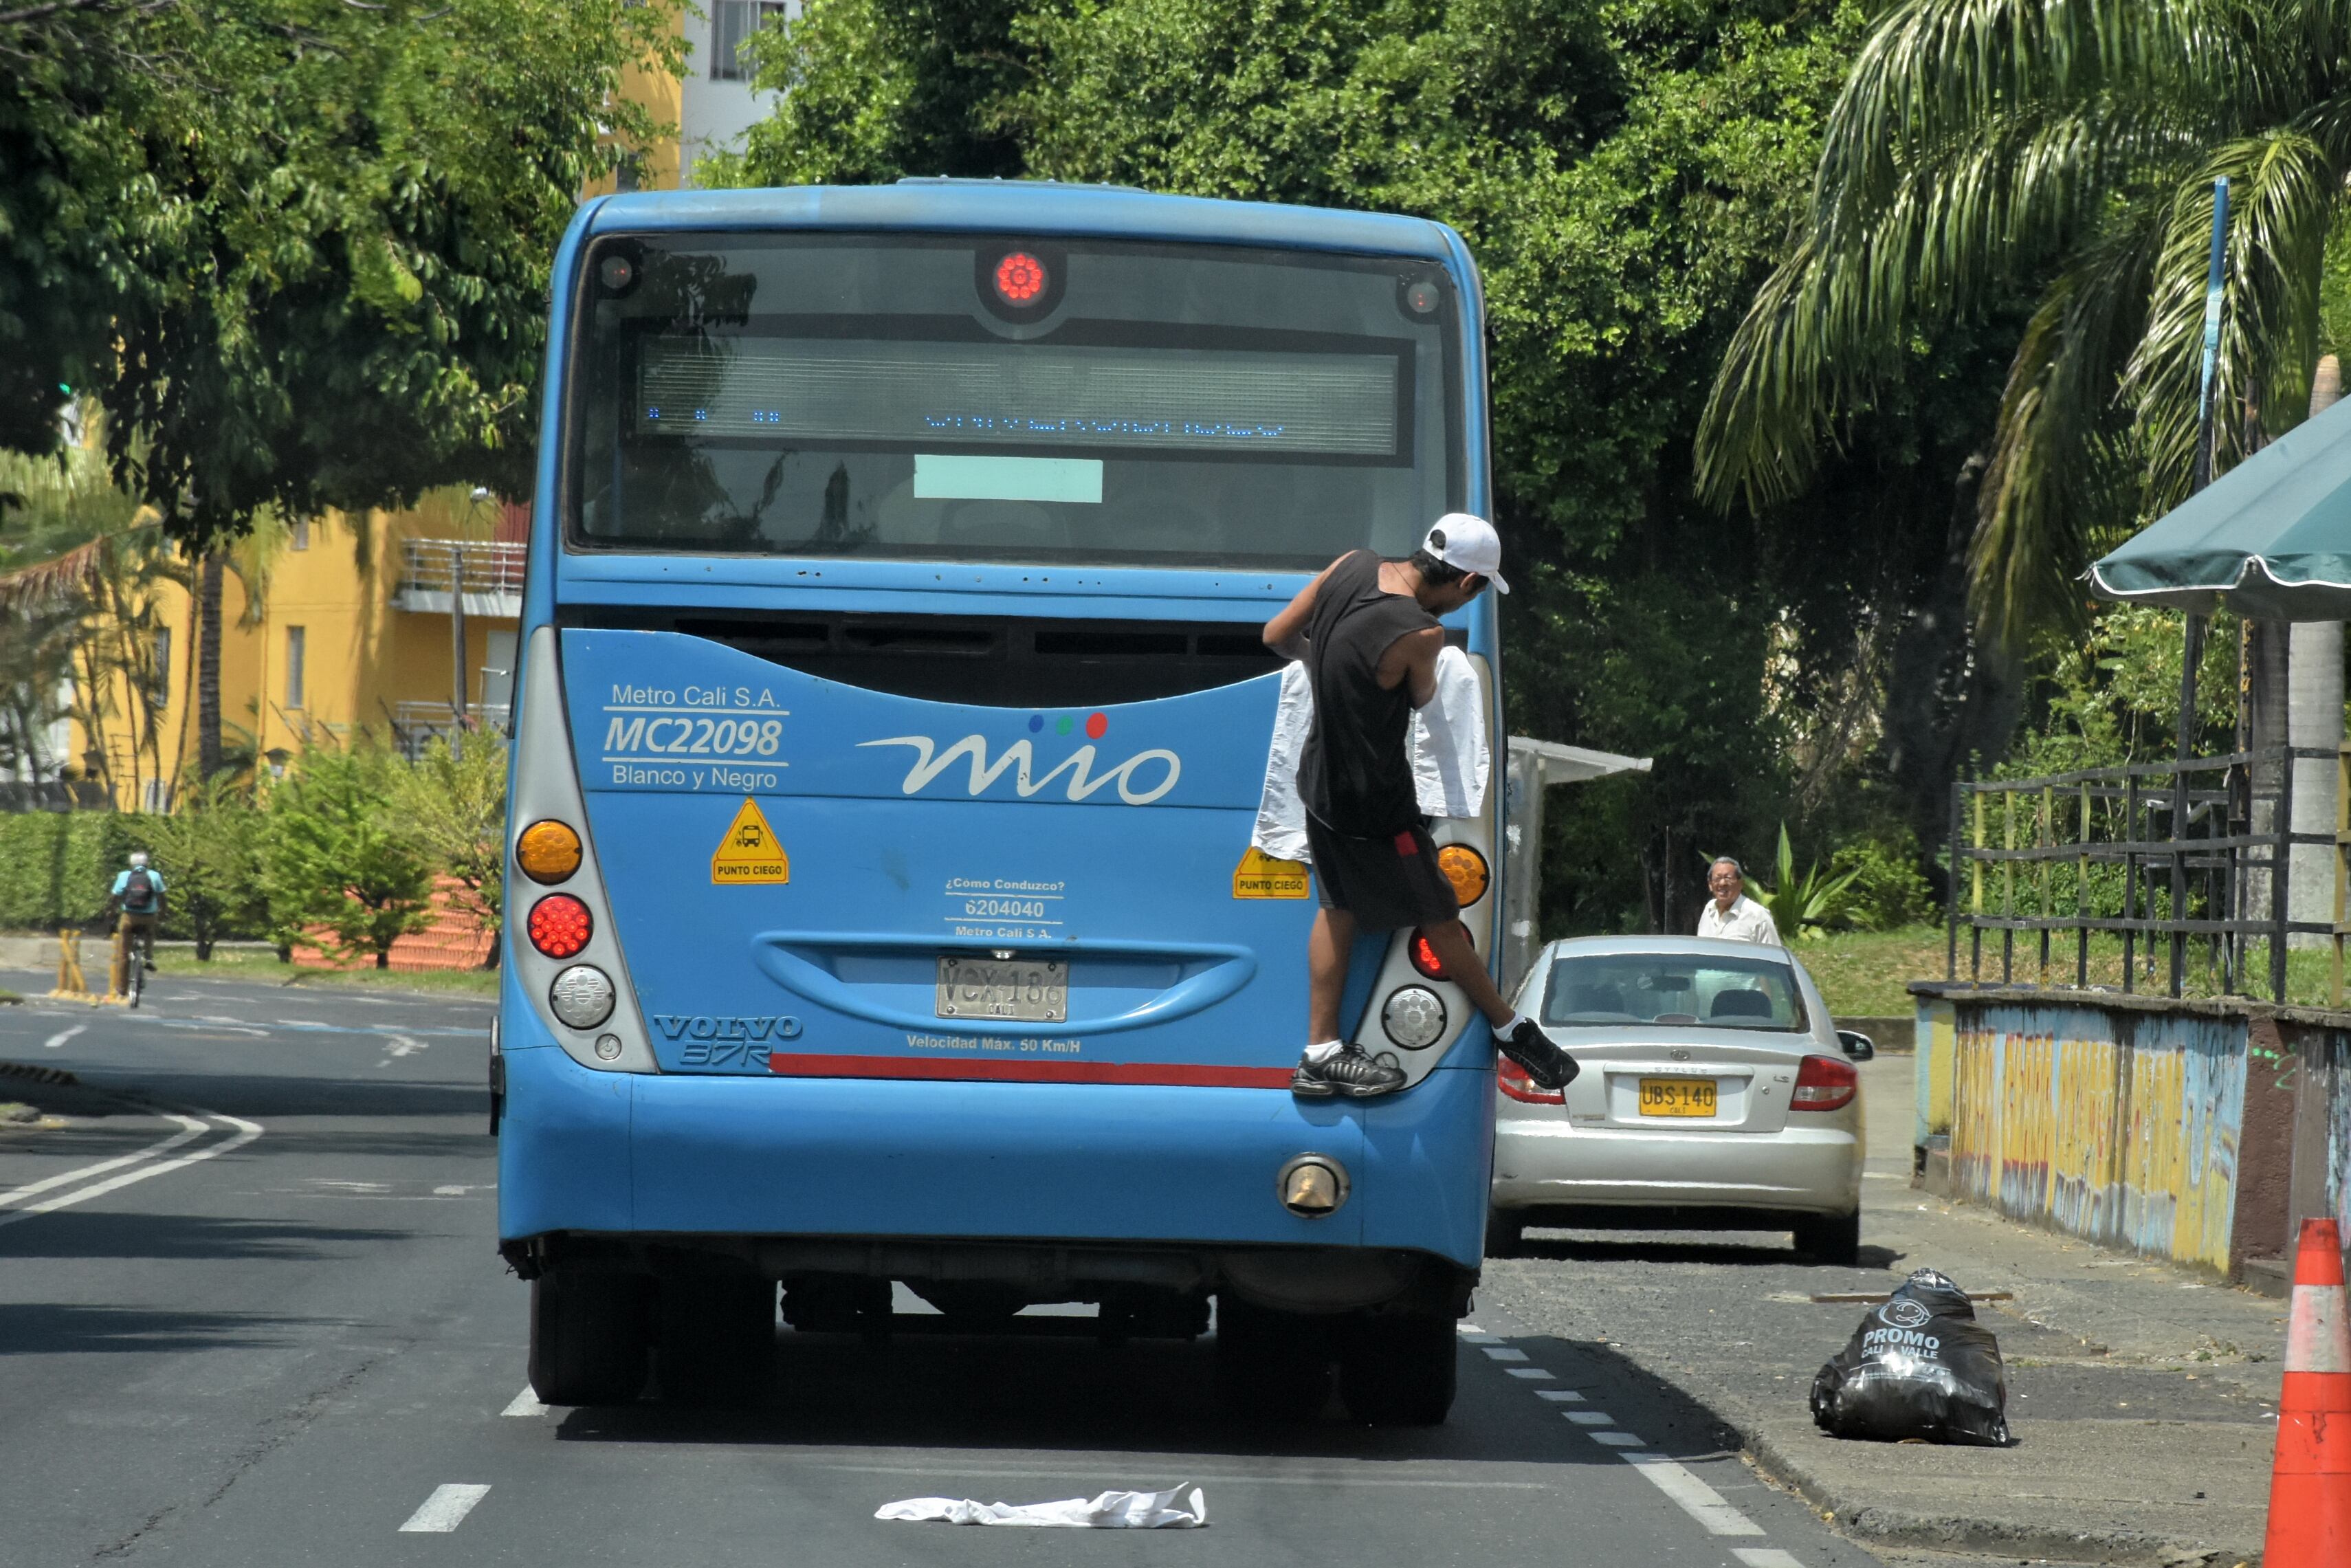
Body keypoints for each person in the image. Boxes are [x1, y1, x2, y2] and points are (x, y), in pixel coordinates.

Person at [1263, 515, 1578, 1098]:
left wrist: (1326, 669)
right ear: (1466, 583)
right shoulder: (1420, 634)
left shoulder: (1349, 563)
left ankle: (1320, 1052)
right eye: (1479, 589)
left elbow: (1277, 635)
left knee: (1337, 908)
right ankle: (1509, 1028)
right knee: (1439, 909)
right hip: (1374, 802)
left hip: (1320, 782)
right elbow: (1421, 695)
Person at [1697, 857, 1781, 945]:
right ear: (1710, 884)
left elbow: (1773, 955)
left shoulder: (1758, 915)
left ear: (1741, 884)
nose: (1722, 883)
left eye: (1728, 878)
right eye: (1718, 879)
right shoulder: (1709, 909)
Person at [108, 850, 167, 972]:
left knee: (124, 949)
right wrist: (162, 913)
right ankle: (149, 958)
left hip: (129, 916)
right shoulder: (155, 876)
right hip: (149, 916)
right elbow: (162, 897)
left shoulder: (124, 876)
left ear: (131, 864)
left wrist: (111, 911)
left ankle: (122, 987)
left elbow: (115, 896)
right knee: (150, 933)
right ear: (147, 864)